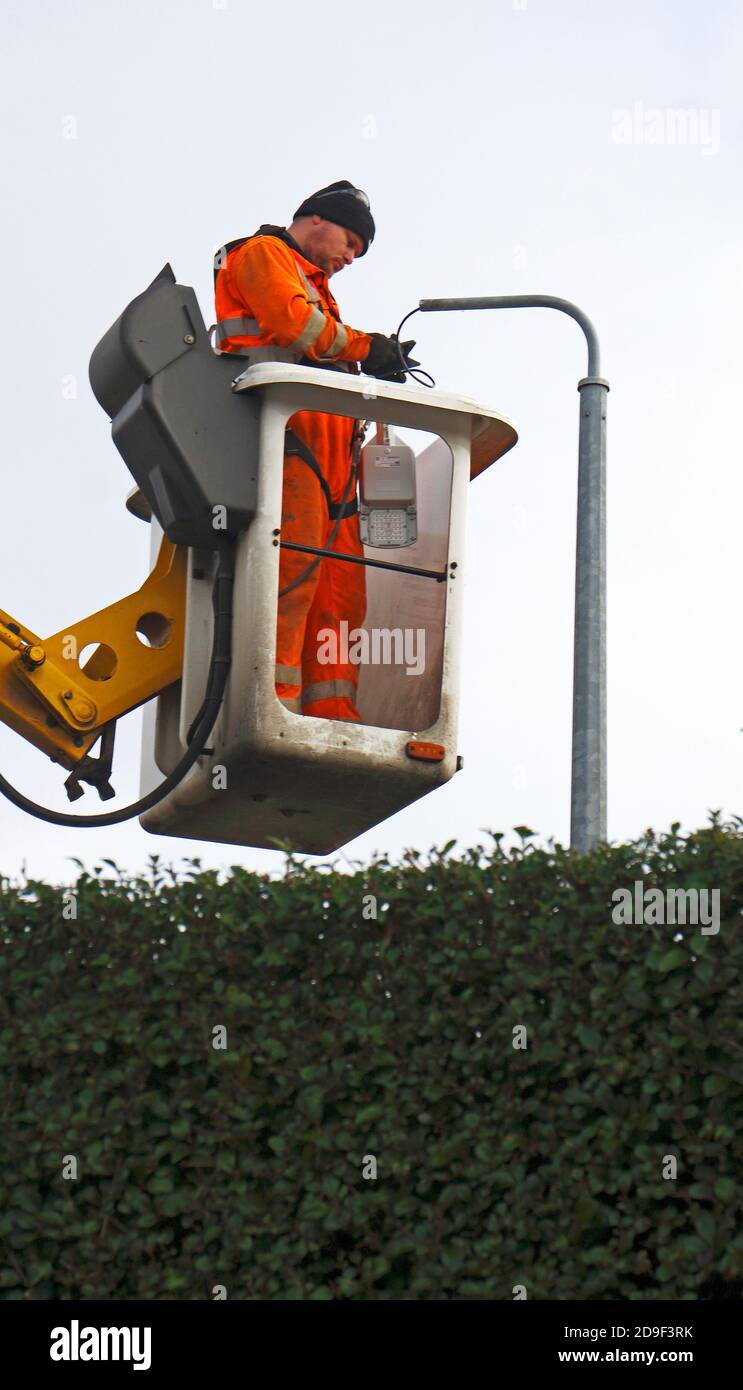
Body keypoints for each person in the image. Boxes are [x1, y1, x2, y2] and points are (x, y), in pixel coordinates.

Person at [212, 180, 415, 722]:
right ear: (316, 220)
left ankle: (331, 715)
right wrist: (366, 347)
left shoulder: (314, 281)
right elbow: (292, 325)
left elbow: (320, 338)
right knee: (291, 578)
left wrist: (368, 363)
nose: (352, 257)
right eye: (351, 242)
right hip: (289, 443)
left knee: (341, 596)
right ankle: (272, 709)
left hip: (333, 461)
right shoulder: (262, 255)